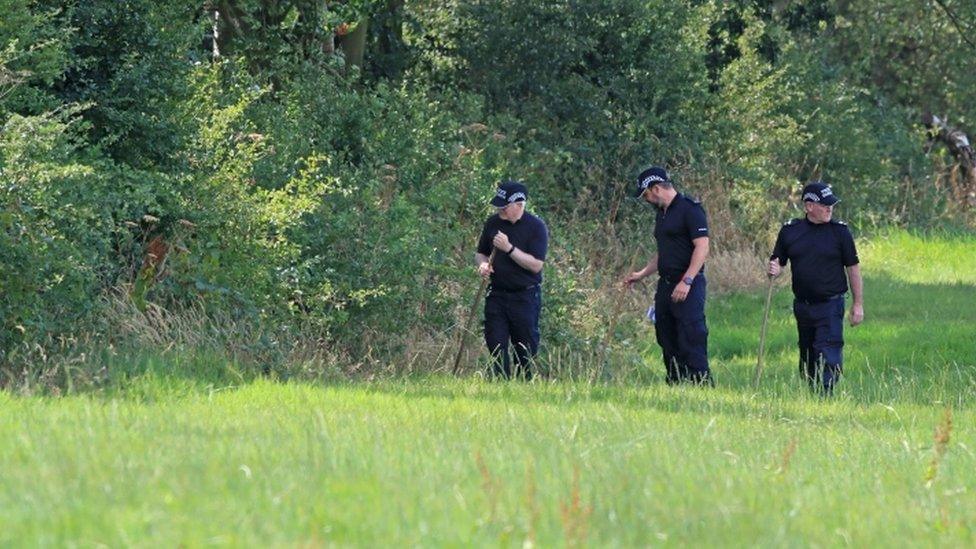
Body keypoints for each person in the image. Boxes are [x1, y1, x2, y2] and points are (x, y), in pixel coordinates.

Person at [768, 181, 864, 395]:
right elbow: (778, 262)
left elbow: (853, 268)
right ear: (809, 206)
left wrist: (857, 305)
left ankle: (826, 394)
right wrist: (774, 268)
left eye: (832, 204)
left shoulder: (840, 232)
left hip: (830, 304)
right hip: (803, 306)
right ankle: (813, 391)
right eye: (824, 204)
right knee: (808, 354)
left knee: (828, 349)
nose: (830, 208)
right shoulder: (790, 231)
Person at [624, 166, 713, 385]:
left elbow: (702, 247)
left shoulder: (690, 209)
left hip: (688, 285)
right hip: (665, 285)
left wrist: (687, 280)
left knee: (690, 336)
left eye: (646, 195)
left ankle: (701, 385)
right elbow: (664, 253)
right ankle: (676, 384)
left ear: (656, 189)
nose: (646, 200)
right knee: (666, 336)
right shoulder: (662, 215)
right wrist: (641, 274)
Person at [475, 180, 549, 379]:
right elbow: (481, 252)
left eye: (504, 206)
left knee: (524, 348)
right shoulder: (492, 223)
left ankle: (526, 384)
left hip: (525, 296)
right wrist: (483, 265)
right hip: (497, 294)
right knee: (495, 342)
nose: (500, 210)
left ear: (519, 205)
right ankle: (501, 383)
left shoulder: (536, 227)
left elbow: (536, 265)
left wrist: (509, 248)